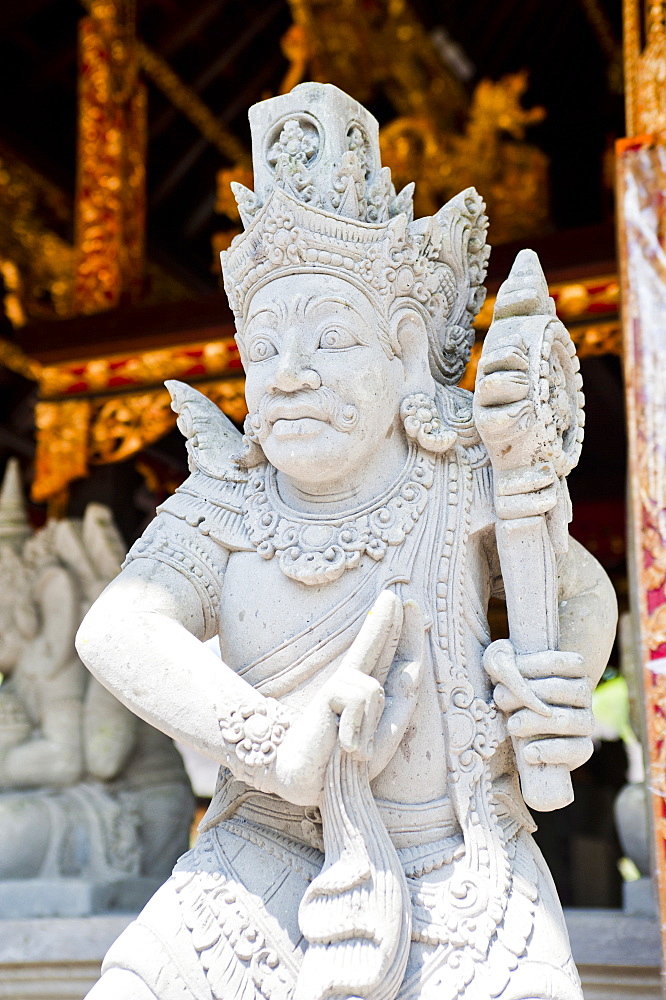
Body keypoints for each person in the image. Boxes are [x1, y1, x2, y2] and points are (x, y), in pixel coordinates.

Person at [77, 82, 617, 1000]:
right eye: (262, 349)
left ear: (405, 349)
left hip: (460, 864)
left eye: (328, 339)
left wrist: (564, 681)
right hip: (256, 865)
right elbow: (117, 630)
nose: (287, 376)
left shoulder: (462, 476)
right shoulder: (232, 499)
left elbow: (578, 588)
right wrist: (275, 740)